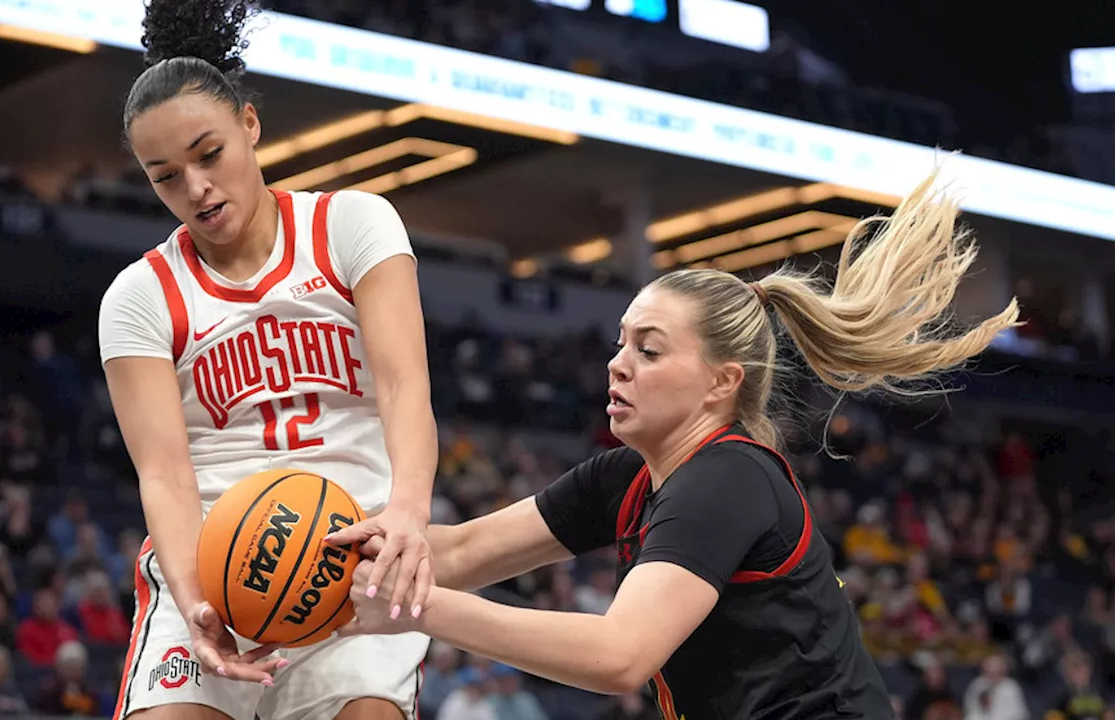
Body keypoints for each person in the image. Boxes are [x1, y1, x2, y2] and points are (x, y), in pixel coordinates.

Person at [332, 169, 1021, 719]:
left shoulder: (729, 478)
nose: (618, 364)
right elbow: (460, 551)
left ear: (723, 383)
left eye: (650, 349)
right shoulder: (627, 478)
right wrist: (336, 559)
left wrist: (413, 609)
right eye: (621, 342)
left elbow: (619, 655)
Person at [98, 0, 437, 718]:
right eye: (165, 176)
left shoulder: (352, 224)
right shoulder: (139, 295)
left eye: (208, 154)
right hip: (212, 569)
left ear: (249, 125)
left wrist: (408, 510)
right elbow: (164, 473)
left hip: (353, 562)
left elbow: (406, 388)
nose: (195, 188)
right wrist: (194, 600)